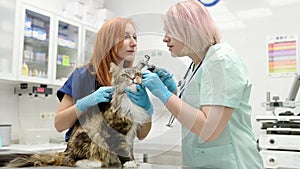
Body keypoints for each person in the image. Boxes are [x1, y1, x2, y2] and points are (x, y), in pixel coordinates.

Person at [138, 0, 264, 168]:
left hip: (231, 162)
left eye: (170, 31)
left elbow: (208, 129)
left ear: (189, 29)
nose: (164, 39)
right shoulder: (197, 62)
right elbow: (194, 110)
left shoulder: (221, 61)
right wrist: (172, 90)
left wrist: (163, 93)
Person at [54, 17, 153, 143]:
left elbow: (141, 134)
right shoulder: (82, 76)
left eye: (135, 37)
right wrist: (84, 103)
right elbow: (59, 124)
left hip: (116, 156)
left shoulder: (132, 80)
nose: (134, 43)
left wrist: (147, 109)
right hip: (84, 155)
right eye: (126, 37)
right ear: (108, 41)